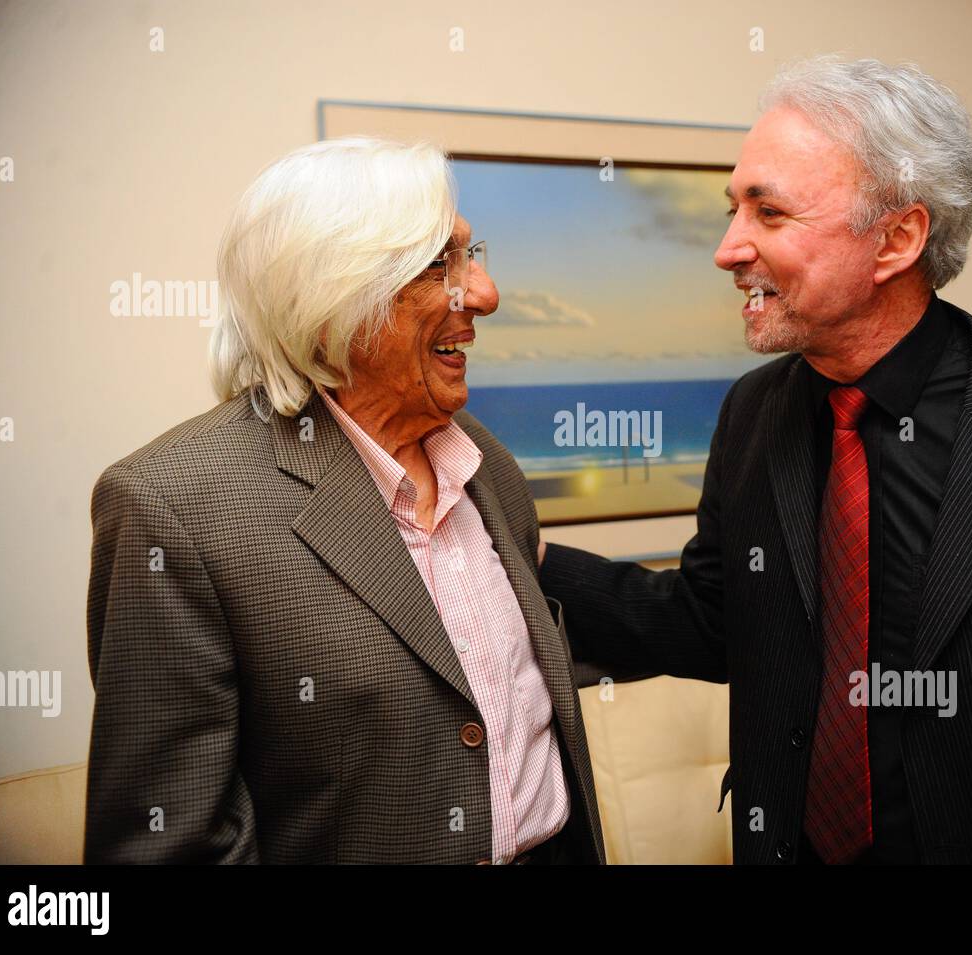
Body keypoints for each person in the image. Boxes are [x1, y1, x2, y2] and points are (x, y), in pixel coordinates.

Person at [537, 55, 972, 864]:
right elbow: (716, 623)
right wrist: (509, 549)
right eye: (732, 209)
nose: (727, 248)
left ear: (898, 238)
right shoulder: (753, 415)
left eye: (768, 212)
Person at [86, 136, 603, 864]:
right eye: (439, 265)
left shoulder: (490, 464)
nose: (483, 293)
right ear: (333, 300)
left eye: (470, 253)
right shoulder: (172, 506)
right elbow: (170, 843)